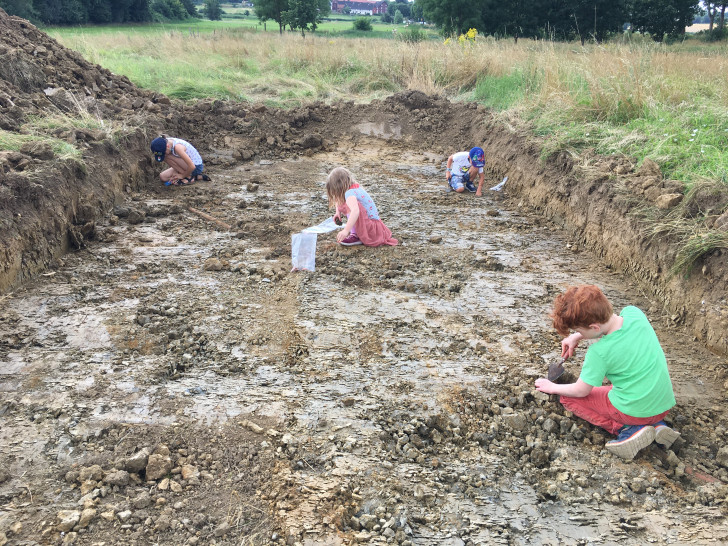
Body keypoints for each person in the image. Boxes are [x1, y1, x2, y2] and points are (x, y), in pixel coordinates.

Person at [534, 285, 679, 461]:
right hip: (663, 404)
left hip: (634, 411)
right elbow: (610, 327)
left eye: (579, 330)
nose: (578, 334)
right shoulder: (635, 314)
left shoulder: (599, 352)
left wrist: (552, 387)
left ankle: (628, 430)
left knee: (568, 397)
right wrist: (577, 337)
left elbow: (582, 390)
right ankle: (657, 425)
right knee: (624, 380)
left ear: (594, 327)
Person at [326, 167, 397, 247]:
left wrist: (346, 231)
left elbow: (355, 211)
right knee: (346, 203)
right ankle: (356, 232)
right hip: (375, 226)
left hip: (370, 231)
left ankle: (355, 235)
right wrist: (337, 212)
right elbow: (338, 199)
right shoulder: (355, 187)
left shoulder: (349, 194)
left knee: (353, 207)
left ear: (339, 187)